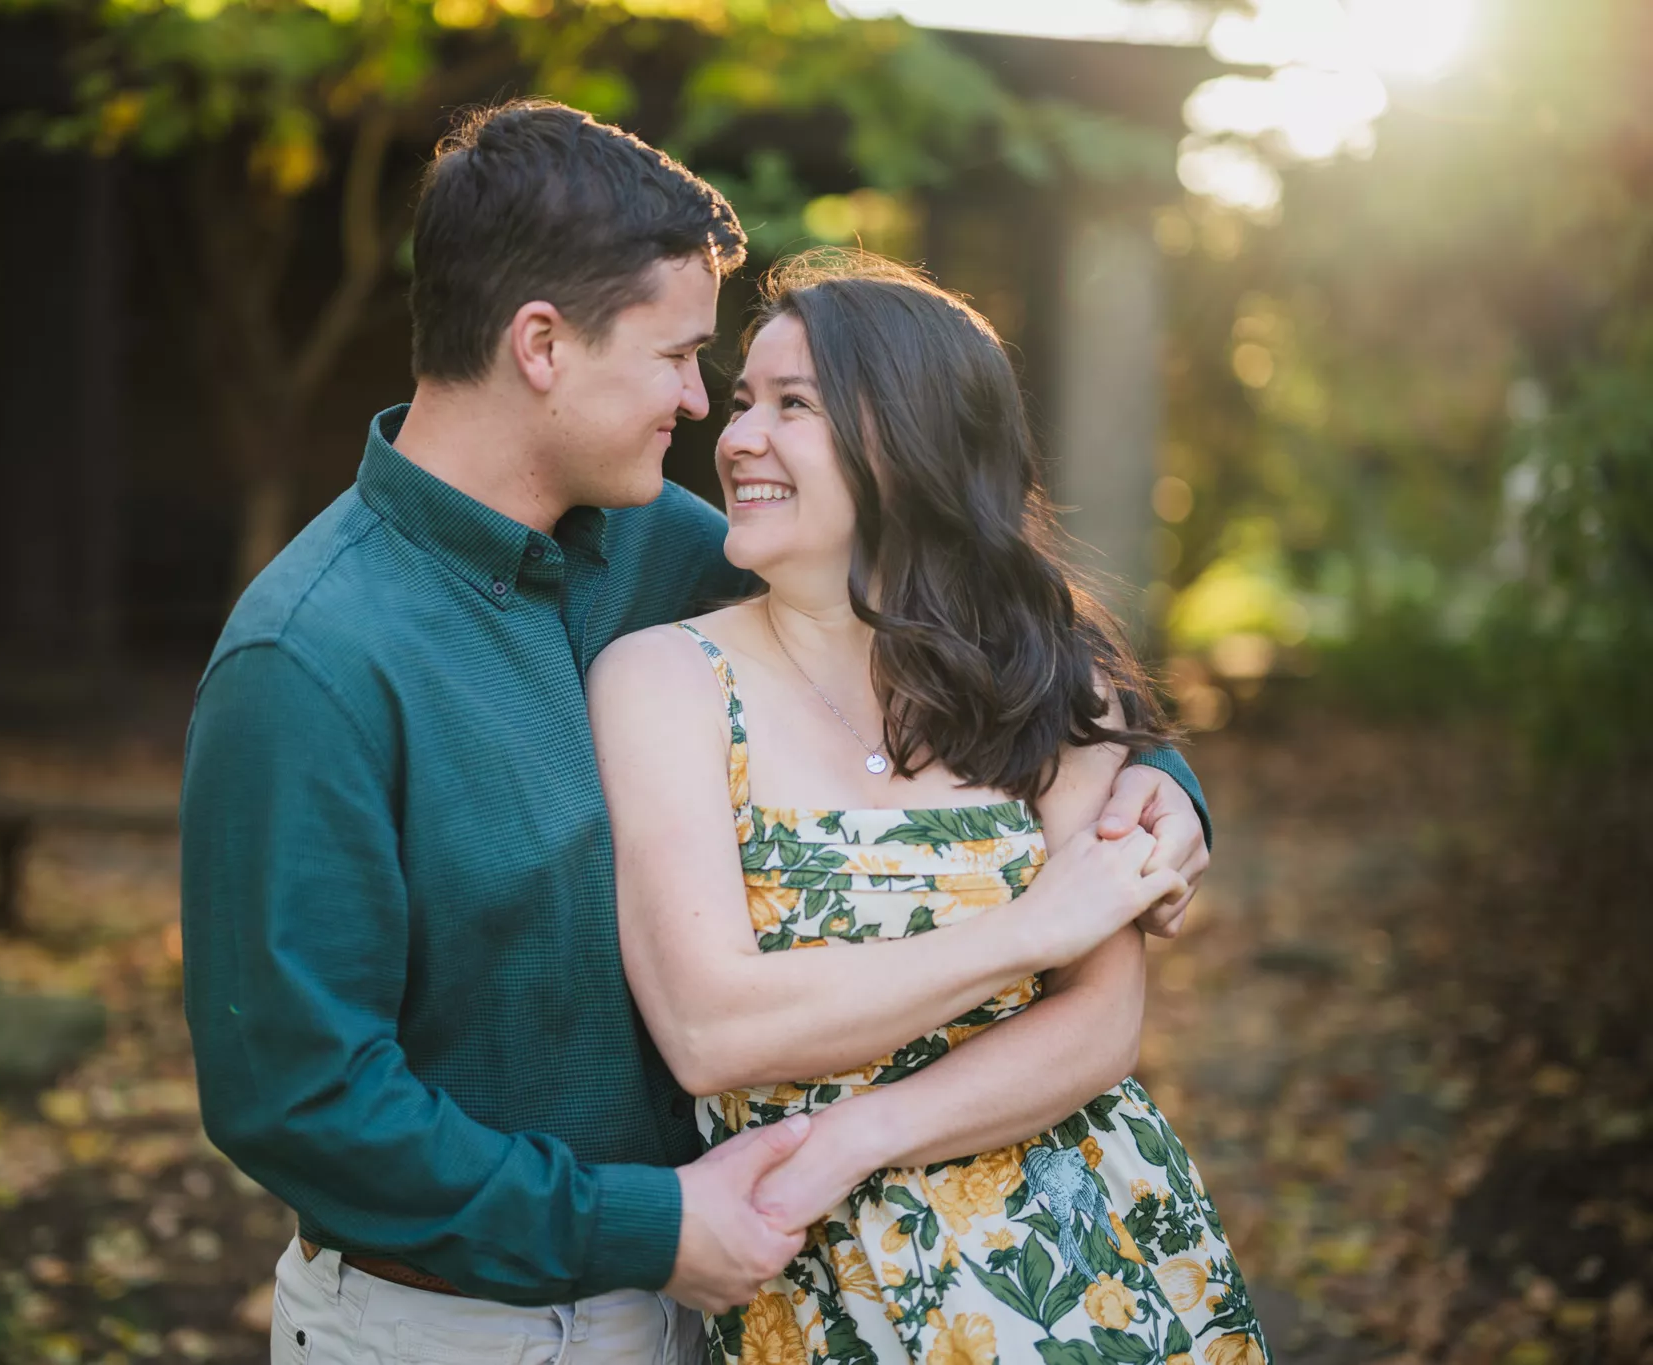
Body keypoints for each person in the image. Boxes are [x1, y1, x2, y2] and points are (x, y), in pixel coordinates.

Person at [180, 101, 1215, 1365]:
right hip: (447, 1329)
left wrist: (1158, 785)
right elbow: (297, 1101)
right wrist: (646, 1222)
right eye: (678, 358)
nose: (700, 408)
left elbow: (976, 616)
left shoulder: (663, 545)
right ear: (543, 346)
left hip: (719, 1305)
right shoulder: (312, 654)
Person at [587, 252, 1265, 1365]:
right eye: (743, 399)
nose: (738, 434)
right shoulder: (664, 680)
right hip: (823, 1274)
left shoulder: (1048, 677)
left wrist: (856, 1138)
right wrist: (1030, 930)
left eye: (792, 404)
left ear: (907, 443)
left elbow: (1097, 1026)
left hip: (1094, 1253)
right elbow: (711, 1028)